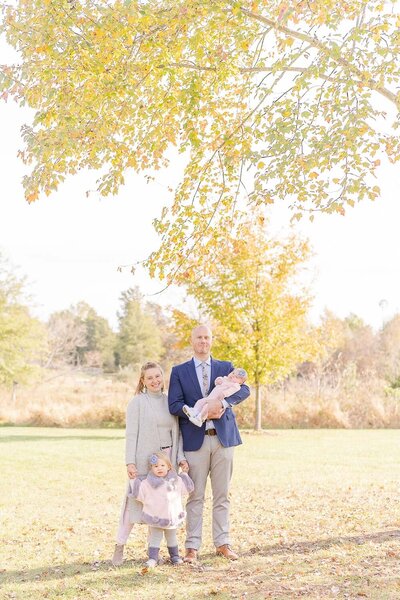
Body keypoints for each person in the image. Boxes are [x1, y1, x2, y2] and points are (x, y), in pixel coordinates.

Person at [168, 325, 250, 563]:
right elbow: (173, 404)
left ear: (211, 340)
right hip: (196, 441)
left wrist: (222, 405)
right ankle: (192, 547)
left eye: (207, 337)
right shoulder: (179, 371)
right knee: (195, 496)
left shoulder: (226, 367)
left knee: (222, 495)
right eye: (199, 337)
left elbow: (244, 390)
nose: (203, 341)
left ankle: (223, 543)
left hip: (223, 440)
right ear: (192, 340)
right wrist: (194, 412)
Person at [112, 362, 189, 567]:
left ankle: (151, 554)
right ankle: (120, 544)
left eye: (158, 376)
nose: (155, 381)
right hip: (144, 461)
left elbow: (178, 434)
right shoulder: (137, 403)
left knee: (160, 506)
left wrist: (179, 458)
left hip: (167, 462)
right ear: (143, 381)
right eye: (150, 378)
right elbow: (131, 435)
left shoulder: (169, 401)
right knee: (133, 505)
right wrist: (129, 461)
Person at [129, 451, 194, 567]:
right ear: (152, 468)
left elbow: (186, 489)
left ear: (169, 466)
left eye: (162, 465)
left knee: (172, 537)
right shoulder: (148, 483)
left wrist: (184, 474)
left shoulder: (176, 481)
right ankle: (153, 558)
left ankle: (175, 556)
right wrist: (133, 480)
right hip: (156, 517)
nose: (159, 468)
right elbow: (139, 493)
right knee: (155, 537)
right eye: (156, 466)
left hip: (171, 517)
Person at [183, 368, 248, 427]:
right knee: (200, 401)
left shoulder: (235, 385)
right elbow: (219, 380)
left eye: (236, 377)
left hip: (216, 400)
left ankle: (200, 419)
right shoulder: (225, 379)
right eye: (233, 373)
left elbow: (231, 391)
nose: (233, 375)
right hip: (210, 397)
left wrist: (224, 394)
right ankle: (194, 411)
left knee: (206, 407)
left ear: (240, 382)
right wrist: (218, 380)